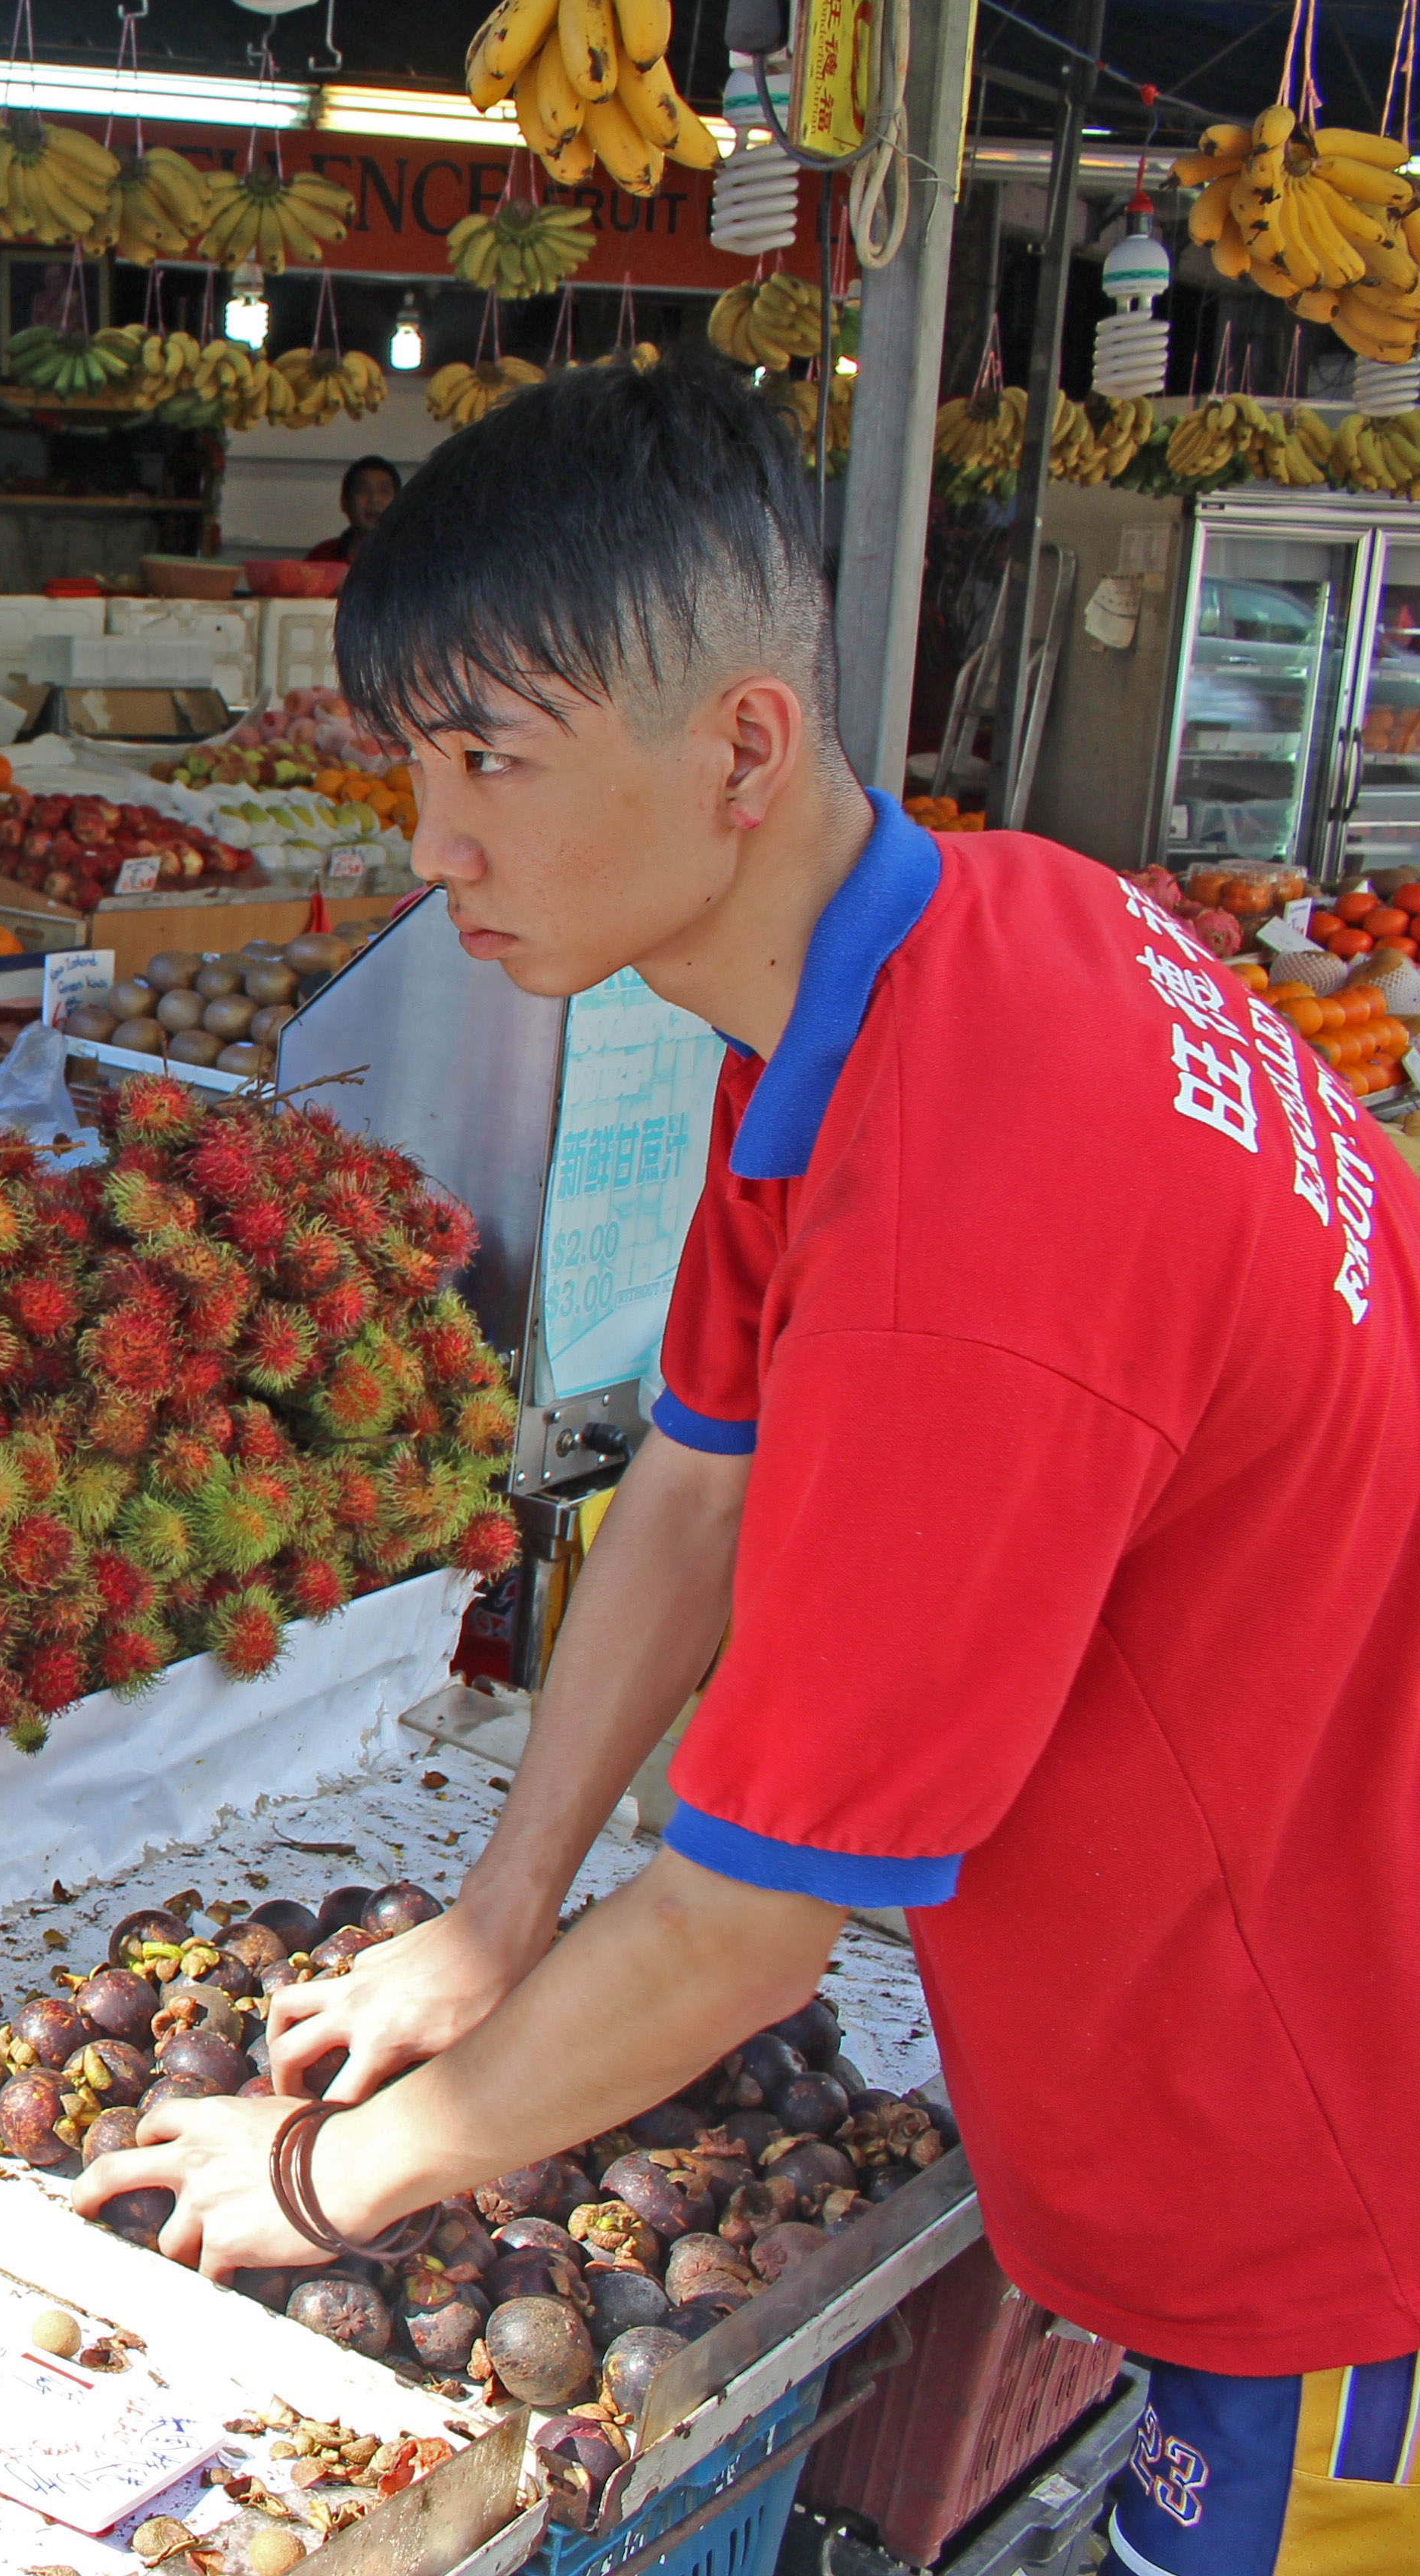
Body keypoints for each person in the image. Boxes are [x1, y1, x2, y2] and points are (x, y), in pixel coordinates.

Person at [75, 357, 1420, 2575]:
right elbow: (700, 1477)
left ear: (740, 749)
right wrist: (496, 1916)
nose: (428, 845)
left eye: (491, 761)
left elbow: (741, 1937)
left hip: (1332, 2162)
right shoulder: (952, 945)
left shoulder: (961, 1223)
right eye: (413, 764)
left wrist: (330, 2174)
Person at [308, 455, 399, 562]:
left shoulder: (411, 558)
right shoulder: (322, 557)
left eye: (384, 491)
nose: (374, 499)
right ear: (345, 502)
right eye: (364, 490)